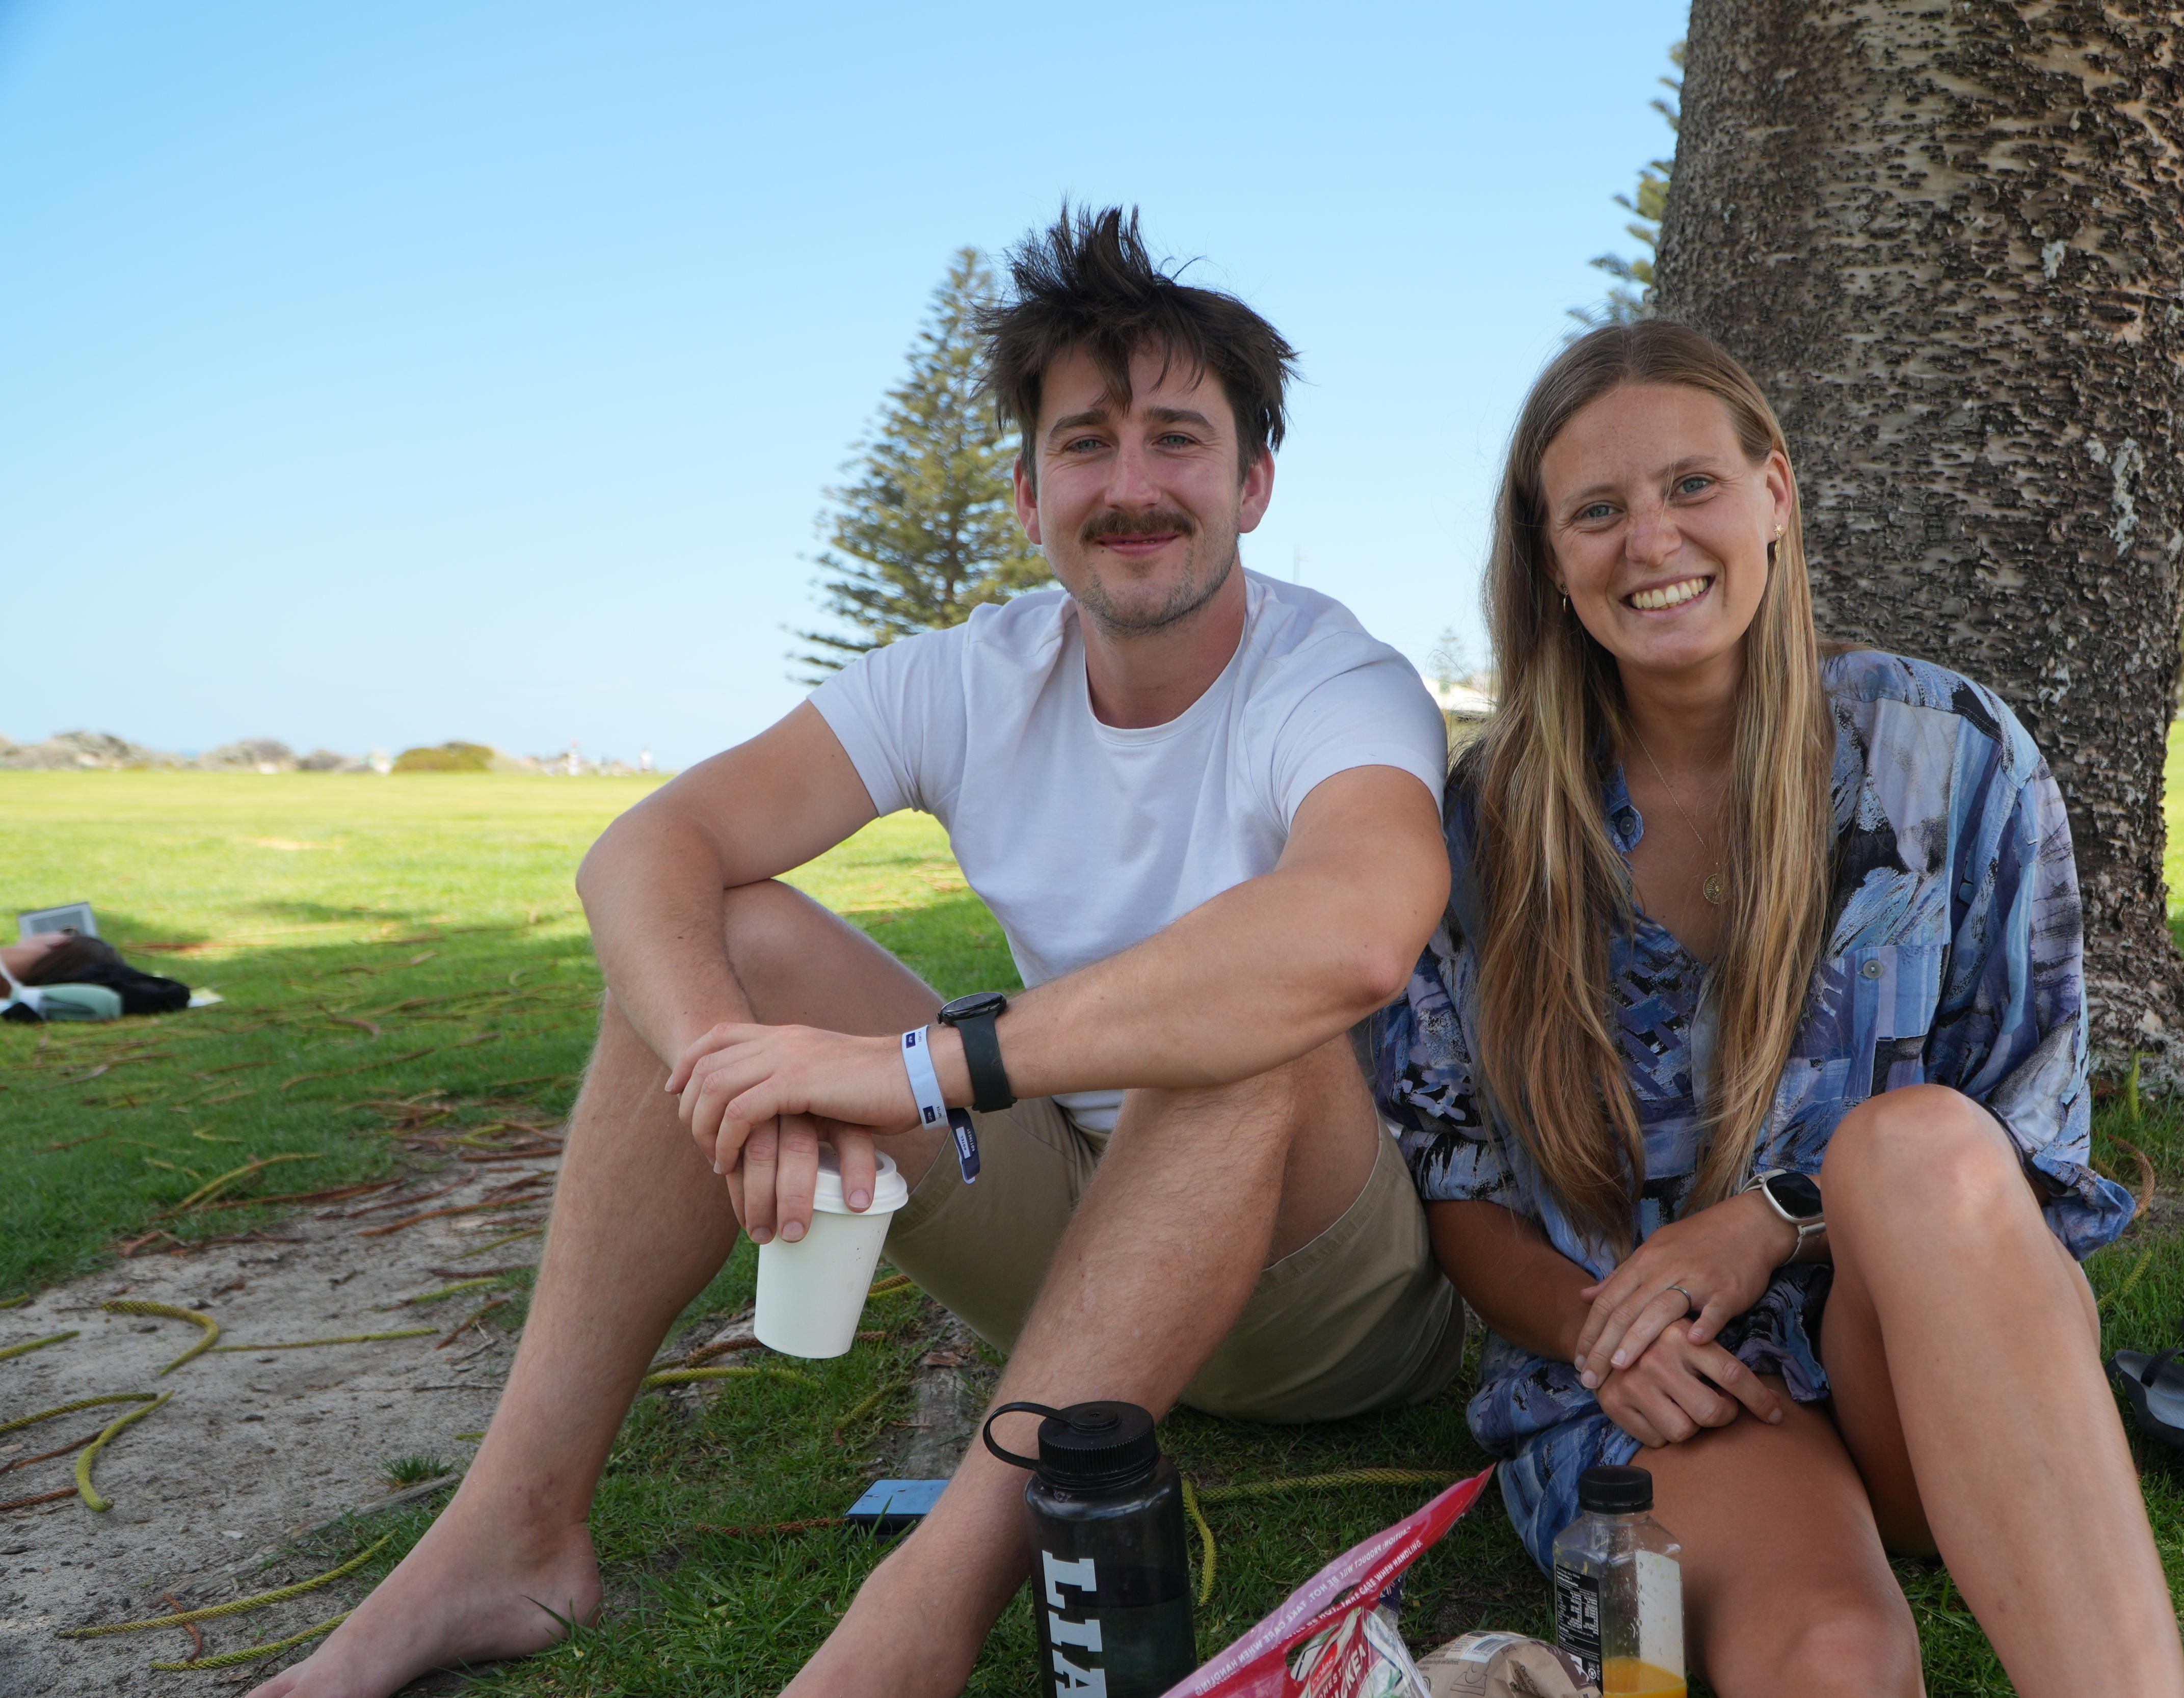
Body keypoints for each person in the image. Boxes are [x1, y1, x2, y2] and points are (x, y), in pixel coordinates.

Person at [254, 207, 1463, 1698]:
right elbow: (644, 849)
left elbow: (1348, 934)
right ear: (1026, 495)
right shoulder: (974, 672)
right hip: (1083, 1243)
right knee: (728, 935)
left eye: (1177, 440)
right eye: (1085, 443)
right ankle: (510, 1531)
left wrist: (910, 1067)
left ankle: (925, 1608)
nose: (1132, 485)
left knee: (1244, 1022)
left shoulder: (1330, 677)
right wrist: (727, 1080)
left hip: (1326, 1292)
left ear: (1253, 482)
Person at [1364, 321, 2184, 1695]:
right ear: (1551, 559)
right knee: (1834, 1655)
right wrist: (1598, 1331)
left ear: (1776, 497)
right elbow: (1464, 1193)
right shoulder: (1484, 827)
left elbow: (2023, 1158)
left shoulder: (1952, 757)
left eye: (1693, 485)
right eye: (1599, 510)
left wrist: (1769, 1221)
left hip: (1928, 1356)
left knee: (1915, 1144)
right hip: (1676, 1387)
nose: (1652, 539)